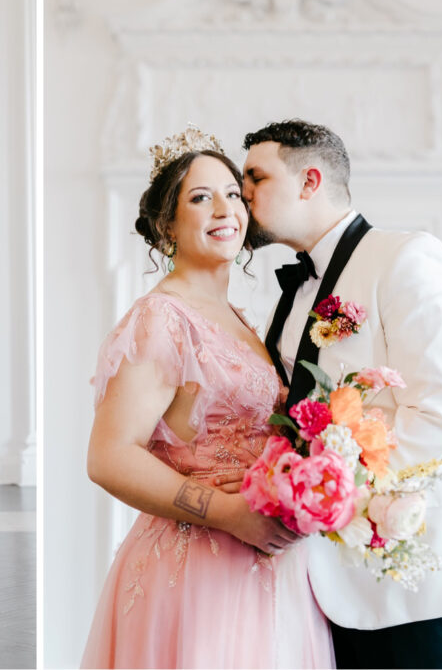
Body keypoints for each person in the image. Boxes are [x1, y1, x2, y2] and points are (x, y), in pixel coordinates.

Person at [238, 118, 442, 668]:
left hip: (429, 571)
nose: (243, 191)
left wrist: (323, 493)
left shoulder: (408, 257)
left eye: (256, 175)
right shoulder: (292, 293)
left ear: (310, 180)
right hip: (334, 584)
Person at [81, 127, 334, 668]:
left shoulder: (241, 320)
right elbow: (109, 456)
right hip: (199, 567)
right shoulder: (161, 318)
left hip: (269, 564)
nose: (225, 209)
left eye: (234, 195)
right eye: (201, 198)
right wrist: (227, 514)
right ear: (166, 226)